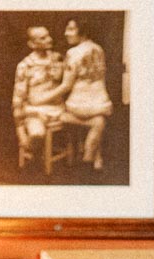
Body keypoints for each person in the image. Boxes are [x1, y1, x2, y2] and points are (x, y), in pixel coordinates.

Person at [48, 17, 112, 171]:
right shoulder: (98, 49)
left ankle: (87, 163)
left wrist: (45, 97)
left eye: (71, 29)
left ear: (82, 31)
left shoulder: (73, 52)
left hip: (79, 106)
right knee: (98, 121)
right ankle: (92, 159)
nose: (66, 33)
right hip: (102, 103)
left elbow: (66, 85)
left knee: (63, 114)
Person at [11, 26, 65, 169]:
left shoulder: (57, 58)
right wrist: (20, 131)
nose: (49, 39)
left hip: (59, 109)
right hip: (35, 111)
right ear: (32, 44)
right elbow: (18, 98)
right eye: (43, 38)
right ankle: (34, 158)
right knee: (36, 134)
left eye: (48, 36)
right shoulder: (25, 65)